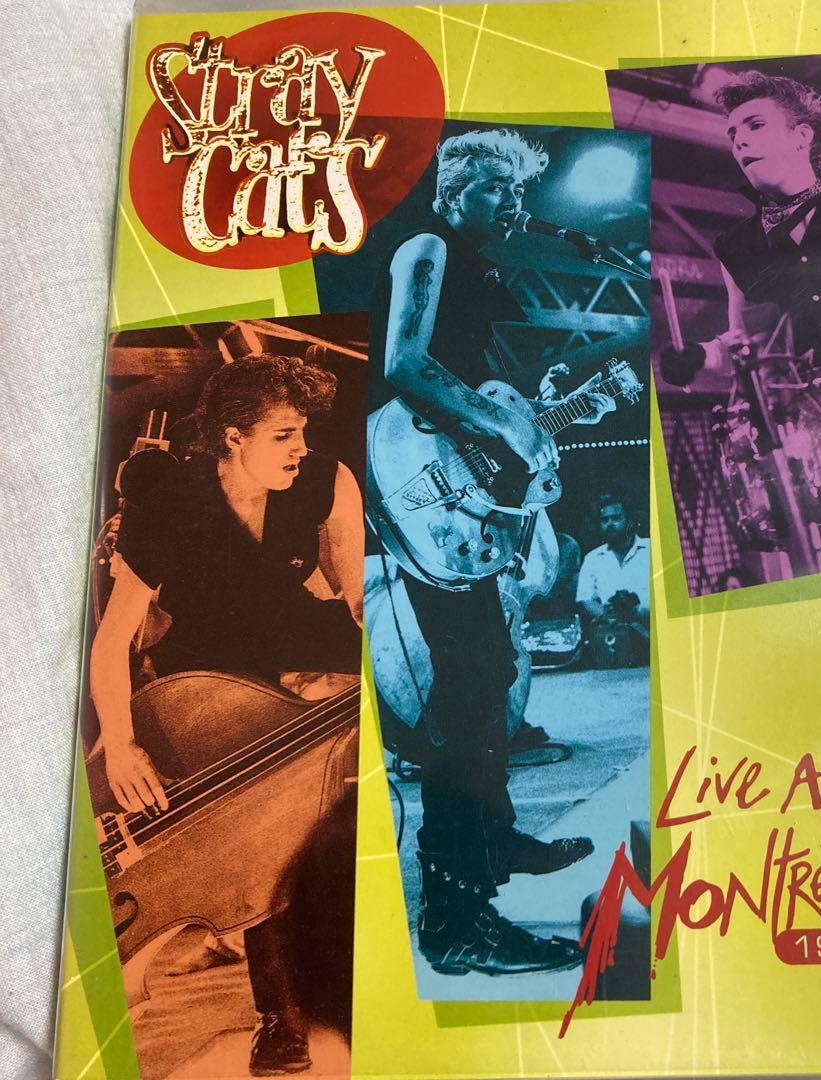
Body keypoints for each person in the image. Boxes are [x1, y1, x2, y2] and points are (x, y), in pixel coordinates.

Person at [368, 128, 615, 976]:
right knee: (469, 694)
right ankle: (456, 920)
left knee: (492, 671)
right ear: (450, 189)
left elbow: (470, 381)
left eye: (516, 192)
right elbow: (405, 363)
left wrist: (529, 413)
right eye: (492, 188)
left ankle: (497, 838)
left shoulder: (474, 266)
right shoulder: (430, 246)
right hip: (423, 493)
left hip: (464, 494)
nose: (510, 204)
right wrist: (504, 423)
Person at [89, 353, 365, 1076]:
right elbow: (112, 643)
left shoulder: (327, 480)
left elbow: (358, 599)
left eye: (303, 431)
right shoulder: (167, 508)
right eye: (283, 434)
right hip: (206, 687)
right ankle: (282, 1018)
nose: (301, 448)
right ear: (232, 437)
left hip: (298, 653)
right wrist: (120, 743)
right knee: (257, 836)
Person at [661, 69, 821, 386]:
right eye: (733, 136)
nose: (740, 141)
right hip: (806, 408)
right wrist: (700, 354)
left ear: (801, 136)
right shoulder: (737, 247)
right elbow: (744, 345)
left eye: (756, 125)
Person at [576, 494, 649, 664]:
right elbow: (585, 599)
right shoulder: (593, 558)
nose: (610, 524)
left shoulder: (653, 549)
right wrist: (607, 616)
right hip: (614, 637)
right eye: (605, 520)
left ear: (630, 521)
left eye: (616, 518)